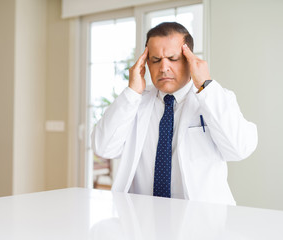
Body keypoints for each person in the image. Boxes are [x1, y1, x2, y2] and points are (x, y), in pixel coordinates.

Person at [91, 22, 258, 205]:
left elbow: (240, 148)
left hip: (200, 223)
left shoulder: (214, 97)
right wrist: (131, 92)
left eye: (173, 58)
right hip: (142, 219)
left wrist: (205, 86)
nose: (163, 68)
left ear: (190, 60)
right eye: (155, 60)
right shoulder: (134, 102)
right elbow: (103, 147)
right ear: (146, 63)